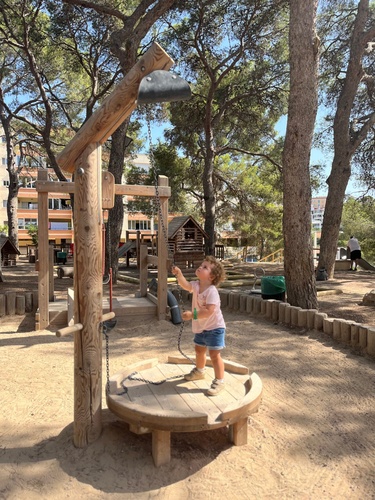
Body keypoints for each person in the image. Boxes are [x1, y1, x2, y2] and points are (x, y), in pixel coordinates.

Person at [172, 256, 227, 396]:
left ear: (212, 276)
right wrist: (179, 274)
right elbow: (185, 285)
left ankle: (220, 381)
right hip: (202, 327)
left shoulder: (212, 292)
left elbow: (209, 311)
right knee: (199, 350)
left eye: (205, 267)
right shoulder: (196, 285)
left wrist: (192, 315)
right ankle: (200, 371)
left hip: (215, 328)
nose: (200, 267)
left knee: (214, 355)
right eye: (202, 265)